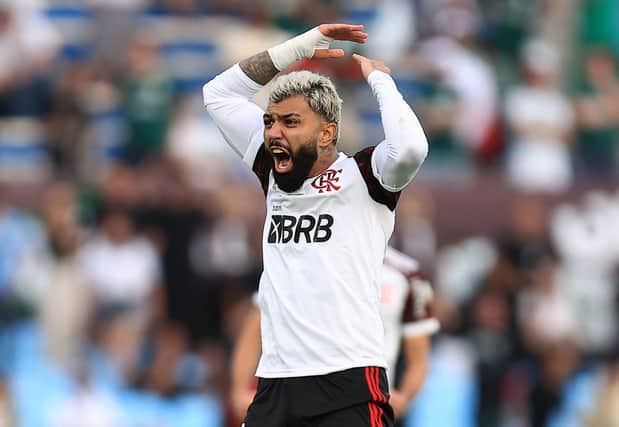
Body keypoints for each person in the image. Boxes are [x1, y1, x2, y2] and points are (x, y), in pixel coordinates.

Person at [203, 23, 428, 427]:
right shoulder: (271, 172)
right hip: (275, 384)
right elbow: (217, 94)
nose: (273, 133)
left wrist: (380, 81)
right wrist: (298, 48)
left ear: (327, 133)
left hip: (348, 383)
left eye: (290, 122)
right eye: (270, 122)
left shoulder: (367, 177)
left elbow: (410, 146)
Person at [230, 247, 440, 425]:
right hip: (294, 389)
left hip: (363, 394)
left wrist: (402, 396)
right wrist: (239, 391)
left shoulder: (408, 274)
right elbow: (255, 328)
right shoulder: (303, 257)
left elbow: (419, 358)